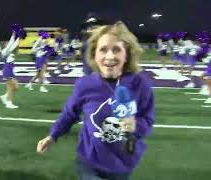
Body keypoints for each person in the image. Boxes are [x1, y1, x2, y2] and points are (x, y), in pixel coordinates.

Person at [36, 21, 155, 180]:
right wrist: (52, 136)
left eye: (117, 49)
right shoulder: (85, 85)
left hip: (124, 163)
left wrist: (136, 126)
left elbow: (148, 120)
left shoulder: (140, 83)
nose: (110, 56)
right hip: (89, 161)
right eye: (103, 49)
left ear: (127, 54)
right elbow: (70, 114)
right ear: (94, 54)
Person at [0, 33, 20, 109]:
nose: (9, 44)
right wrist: (14, 34)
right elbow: (11, 44)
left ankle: (5, 96)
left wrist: (19, 37)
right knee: (11, 87)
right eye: (7, 43)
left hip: (10, 71)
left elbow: (14, 45)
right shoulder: (4, 51)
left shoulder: (9, 52)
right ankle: (9, 103)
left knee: (16, 87)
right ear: (5, 45)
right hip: (7, 70)